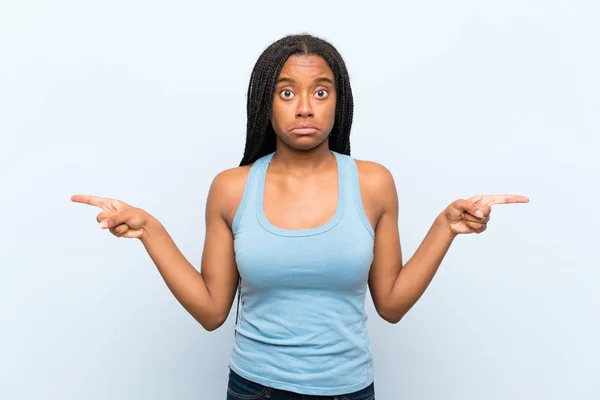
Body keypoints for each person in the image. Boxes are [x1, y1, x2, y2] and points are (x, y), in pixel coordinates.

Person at [71, 33, 529, 400]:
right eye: (287, 92)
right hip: (254, 389)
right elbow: (212, 311)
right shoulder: (232, 187)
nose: (305, 107)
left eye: (321, 92)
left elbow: (391, 304)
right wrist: (150, 230)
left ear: (338, 101)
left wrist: (445, 227)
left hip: (349, 391)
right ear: (265, 103)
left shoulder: (372, 183)